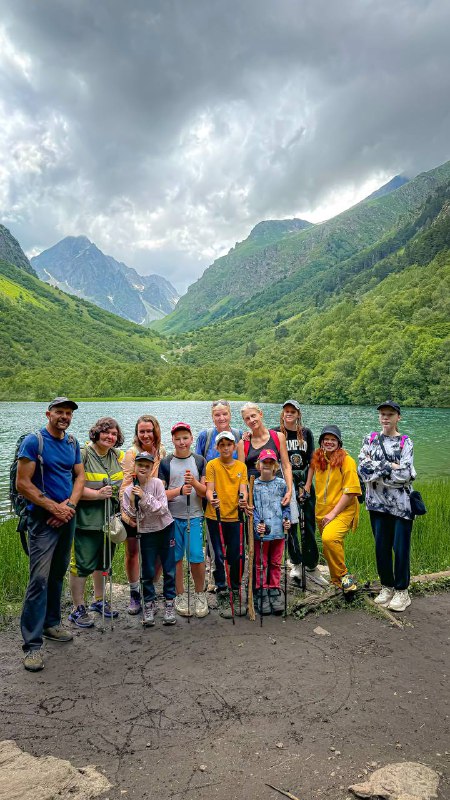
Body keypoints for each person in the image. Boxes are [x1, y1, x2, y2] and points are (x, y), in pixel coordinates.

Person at [16, 397, 85, 672]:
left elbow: (78, 477)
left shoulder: (72, 443)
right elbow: (23, 483)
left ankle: (51, 625)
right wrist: (53, 508)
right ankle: (32, 646)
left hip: (66, 518)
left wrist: (69, 507)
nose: (64, 416)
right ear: (48, 413)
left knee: (57, 574)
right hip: (42, 520)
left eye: (68, 413)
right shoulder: (34, 442)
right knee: (39, 580)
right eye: (59, 412)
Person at [358, 401, 416, 612]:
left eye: (390, 414)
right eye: (382, 414)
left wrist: (378, 473)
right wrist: (389, 466)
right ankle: (387, 587)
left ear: (398, 417)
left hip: (402, 506)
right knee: (381, 548)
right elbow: (362, 470)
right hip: (376, 504)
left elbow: (406, 475)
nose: (385, 418)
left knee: (400, 550)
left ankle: (402, 591)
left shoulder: (405, 442)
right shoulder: (370, 439)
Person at [68, 417, 125, 628]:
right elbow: (71, 487)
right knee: (82, 564)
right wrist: (97, 494)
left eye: (114, 434)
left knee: (103, 563)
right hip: (86, 520)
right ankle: (77, 608)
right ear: (96, 433)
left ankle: (99, 601)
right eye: (106, 432)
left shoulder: (115, 456)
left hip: (109, 521)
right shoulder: (82, 454)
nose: (110, 437)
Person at [159, 422, 209, 619]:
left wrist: (194, 483)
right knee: (176, 558)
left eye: (185, 438)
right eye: (177, 438)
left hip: (194, 516)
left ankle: (200, 594)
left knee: (196, 556)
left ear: (191, 438)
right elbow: (161, 494)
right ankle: (179, 595)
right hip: (172, 518)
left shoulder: (199, 460)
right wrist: (179, 490)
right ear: (172, 440)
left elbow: (205, 492)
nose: (181, 442)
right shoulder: (166, 463)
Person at [276, 400, 328, 590]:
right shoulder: (276, 433)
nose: (289, 414)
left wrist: (307, 485)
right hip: (285, 485)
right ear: (282, 413)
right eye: (286, 411)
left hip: (304, 482)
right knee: (291, 524)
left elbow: (312, 461)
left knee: (309, 524)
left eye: (293, 411)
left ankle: (312, 564)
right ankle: (296, 563)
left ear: (298, 414)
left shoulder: (306, 433)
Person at [121, 452, 176, 626]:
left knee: (168, 568)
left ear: (152, 468)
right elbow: (130, 516)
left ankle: (169, 603)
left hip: (165, 528)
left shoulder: (158, 484)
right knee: (147, 570)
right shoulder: (129, 489)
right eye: (140, 465)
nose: (143, 468)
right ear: (134, 468)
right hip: (145, 532)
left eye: (147, 466)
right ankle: (149, 604)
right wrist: (132, 500)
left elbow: (161, 509)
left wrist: (144, 497)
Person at [304, 425, 360, 592]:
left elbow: (350, 492)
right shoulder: (319, 456)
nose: (329, 442)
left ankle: (344, 576)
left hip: (343, 510)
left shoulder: (347, 461)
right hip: (322, 510)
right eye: (326, 439)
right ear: (321, 441)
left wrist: (333, 513)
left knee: (329, 538)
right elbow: (312, 466)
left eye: (333, 439)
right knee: (331, 545)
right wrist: (307, 486)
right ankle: (337, 582)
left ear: (339, 442)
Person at [120, 415, 166, 614]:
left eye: (149, 431)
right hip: (133, 509)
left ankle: (151, 591)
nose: (146, 435)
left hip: (154, 510)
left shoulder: (161, 452)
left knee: (156, 555)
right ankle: (134, 593)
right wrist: (125, 513)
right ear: (137, 433)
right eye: (142, 431)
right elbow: (124, 486)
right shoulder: (132, 453)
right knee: (132, 551)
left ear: (156, 431)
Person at [195, 399, 243, 590]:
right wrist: (204, 494)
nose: (221, 417)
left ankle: (235, 580)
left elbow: (243, 468)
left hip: (234, 502)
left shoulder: (239, 436)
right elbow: (199, 467)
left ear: (230, 414)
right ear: (212, 416)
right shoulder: (205, 437)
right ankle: (217, 578)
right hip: (212, 500)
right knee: (214, 543)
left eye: (225, 413)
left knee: (235, 545)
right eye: (217, 414)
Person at [205, 431, 248, 618]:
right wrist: (211, 500)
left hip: (236, 516)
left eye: (229, 444)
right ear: (217, 447)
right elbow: (209, 490)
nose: (225, 448)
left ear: (234, 447)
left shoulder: (241, 466)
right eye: (222, 445)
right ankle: (222, 589)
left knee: (237, 555)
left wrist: (243, 500)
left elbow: (243, 490)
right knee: (219, 555)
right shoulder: (212, 465)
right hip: (215, 516)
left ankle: (236, 589)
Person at [253, 449, 291, 615]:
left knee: (276, 562)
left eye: (270, 462)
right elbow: (252, 509)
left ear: (275, 466)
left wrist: (287, 519)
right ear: (258, 465)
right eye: (264, 462)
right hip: (261, 533)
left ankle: (274, 589)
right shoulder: (253, 485)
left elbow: (286, 506)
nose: (267, 465)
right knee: (261, 564)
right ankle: (261, 590)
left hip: (278, 532)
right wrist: (256, 524)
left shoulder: (282, 484)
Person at [237, 402, 292, 505]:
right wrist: (245, 497)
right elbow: (241, 473)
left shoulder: (278, 437)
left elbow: (286, 465)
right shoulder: (243, 444)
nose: (251, 420)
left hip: (277, 491)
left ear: (260, 414)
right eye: (247, 418)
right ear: (244, 421)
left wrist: (289, 491)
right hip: (254, 494)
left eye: (253, 416)